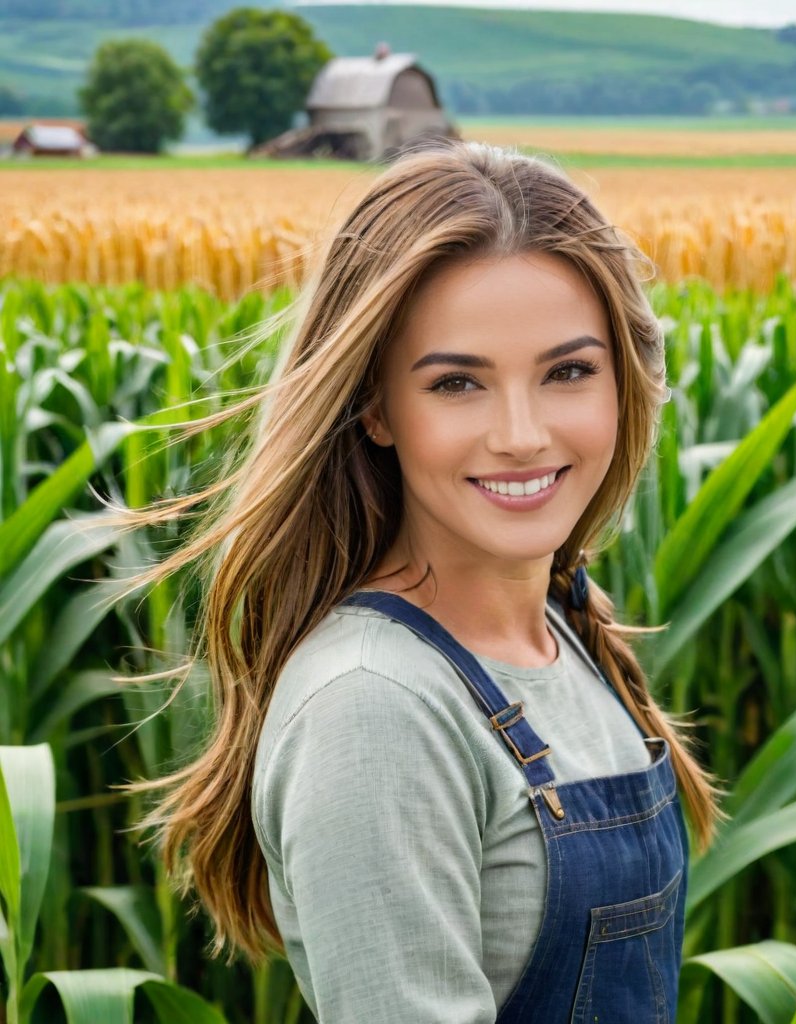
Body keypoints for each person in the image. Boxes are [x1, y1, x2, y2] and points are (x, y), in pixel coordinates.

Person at [137, 141, 726, 1023]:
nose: (522, 434)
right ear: (374, 406)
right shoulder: (376, 708)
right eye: (457, 383)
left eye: (568, 371)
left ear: (623, 382)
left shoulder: (561, 628)